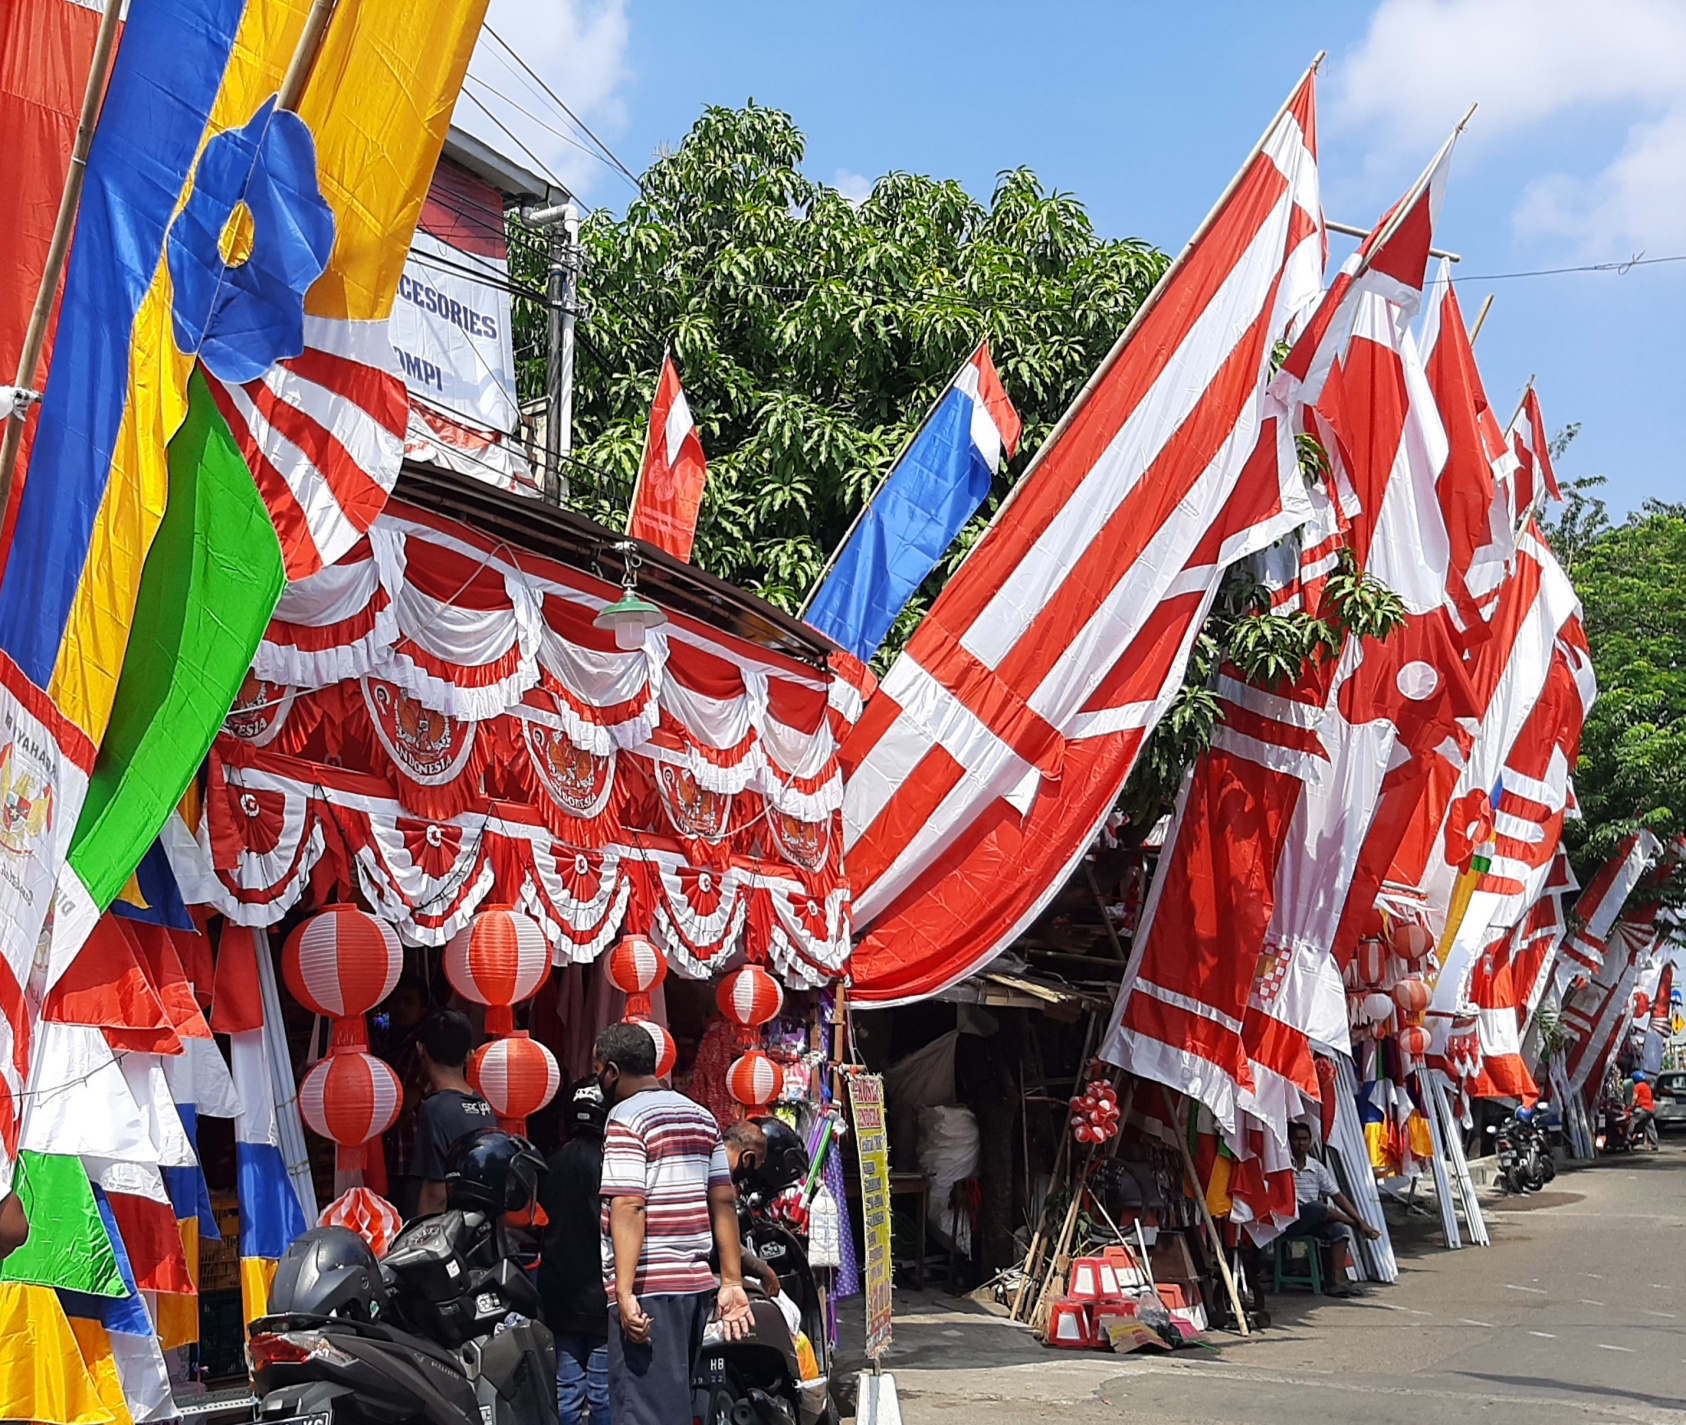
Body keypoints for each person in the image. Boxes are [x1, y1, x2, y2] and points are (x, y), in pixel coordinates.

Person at [595, 1021, 753, 1425]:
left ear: (611, 1071)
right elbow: (722, 1199)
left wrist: (626, 1291)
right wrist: (731, 1280)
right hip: (694, 1287)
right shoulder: (700, 1116)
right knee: (673, 1405)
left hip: (650, 1287)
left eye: (599, 1070)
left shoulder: (625, 1118)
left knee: (644, 1411)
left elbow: (629, 1205)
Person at [540, 1079, 612, 1425]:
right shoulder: (615, 1165)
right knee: (603, 1393)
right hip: (603, 1294)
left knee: (565, 1391)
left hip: (559, 1292)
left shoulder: (551, 1163)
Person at [411, 1010, 494, 1218]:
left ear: (421, 1049)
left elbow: (435, 1194)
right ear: (469, 1054)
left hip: (451, 1235)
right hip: (481, 1228)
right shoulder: (484, 1105)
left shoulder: (434, 1109)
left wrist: (419, 1244)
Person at [1285, 1120, 1381, 1297]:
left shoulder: (1316, 1167)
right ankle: (1356, 1224)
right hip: (1288, 1220)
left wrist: (1360, 1218)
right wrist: (1359, 1223)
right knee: (1318, 1208)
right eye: (1296, 1139)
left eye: (1305, 1139)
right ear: (1289, 1141)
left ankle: (1336, 1283)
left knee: (1339, 1230)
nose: (1301, 1143)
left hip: (1311, 1219)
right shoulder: (1283, 1164)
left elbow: (1337, 1196)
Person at [1629, 1072, 1660, 1151]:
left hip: (1643, 1108)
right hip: (1651, 1109)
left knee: (1631, 1121)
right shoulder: (1647, 1086)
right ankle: (1654, 1144)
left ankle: (1627, 1139)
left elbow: (1634, 1098)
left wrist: (1631, 1107)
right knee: (1650, 1127)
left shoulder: (1638, 1086)